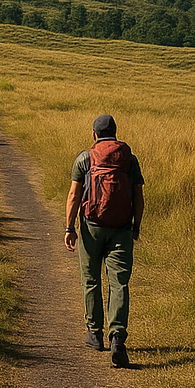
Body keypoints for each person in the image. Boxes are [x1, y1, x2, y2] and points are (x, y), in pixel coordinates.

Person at [63, 113, 144, 366]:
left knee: (91, 279)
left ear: (94, 134)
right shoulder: (129, 159)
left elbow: (74, 195)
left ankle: (95, 334)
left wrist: (69, 227)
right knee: (119, 283)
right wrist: (135, 227)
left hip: (91, 228)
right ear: (115, 133)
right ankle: (117, 337)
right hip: (122, 228)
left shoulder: (85, 158)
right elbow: (138, 196)